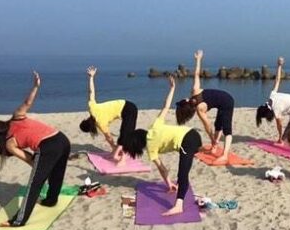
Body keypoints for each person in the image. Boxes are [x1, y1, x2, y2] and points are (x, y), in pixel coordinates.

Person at [0, 71, 71, 227]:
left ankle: (18, 220)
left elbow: (29, 158)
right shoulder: (17, 116)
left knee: (34, 185)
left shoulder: (9, 143)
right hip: (63, 139)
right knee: (57, 173)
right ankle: (51, 200)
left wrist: (41, 169)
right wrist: (36, 86)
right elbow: (28, 102)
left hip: (49, 146)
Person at [121, 75, 202, 216]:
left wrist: (168, 182)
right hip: (192, 134)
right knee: (184, 170)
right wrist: (172, 88)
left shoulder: (151, 149)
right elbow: (166, 105)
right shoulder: (154, 126)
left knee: (182, 175)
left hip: (186, 141)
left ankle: (178, 205)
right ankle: (202, 149)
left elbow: (162, 169)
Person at [174, 50, 235, 165]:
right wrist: (198, 59)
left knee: (227, 130)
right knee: (218, 124)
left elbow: (207, 127)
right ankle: (215, 146)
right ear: (186, 101)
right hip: (222, 101)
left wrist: (198, 60)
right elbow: (208, 127)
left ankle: (225, 155)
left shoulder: (198, 105)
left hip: (227, 101)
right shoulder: (195, 95)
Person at [79, 66, 138, 163]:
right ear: (86, 119)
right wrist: (91, 77)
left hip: (129, 109)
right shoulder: (92, 108)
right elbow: (91, 92)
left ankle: (122, 159)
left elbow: (109, 137)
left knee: (125, 135)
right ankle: (117, 152)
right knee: (123, 135)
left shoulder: (100, 124)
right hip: (126, 105)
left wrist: (114, 147)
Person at [255, 56, 290, 156]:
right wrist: (279, 66)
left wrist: (279, 135)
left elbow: (279, 125)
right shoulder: (271, 96)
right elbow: (277, 80)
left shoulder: (276, 109)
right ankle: (282, 141)